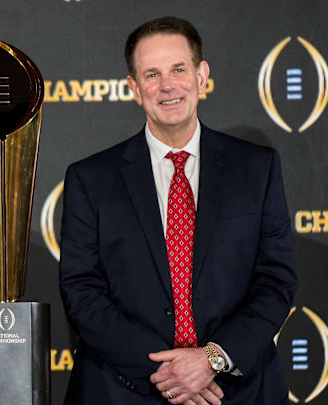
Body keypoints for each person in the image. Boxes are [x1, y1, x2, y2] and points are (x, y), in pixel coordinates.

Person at [59, 16, 297, 405]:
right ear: (134, 89)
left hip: (238, 389)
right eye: (151, 74)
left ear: (202, 76)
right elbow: (82, 292)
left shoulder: (257, 168)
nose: (167, 85)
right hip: (124, 388)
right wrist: (169, 372)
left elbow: (276, 280)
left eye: (178, 69)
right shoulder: (91, 178)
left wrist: (211, 359)